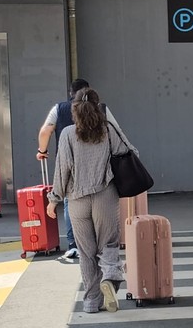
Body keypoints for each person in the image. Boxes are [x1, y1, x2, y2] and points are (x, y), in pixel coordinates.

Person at [46, 88, 135, 313]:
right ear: (98, 107)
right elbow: (129, 151)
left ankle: (91, 302)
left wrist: (54, 199)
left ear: (74, 110)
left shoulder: (67, 134)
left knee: (86, 252)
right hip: (105, 195)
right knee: (108, 244)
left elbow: (62, 170)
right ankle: (111, 279)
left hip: (77, 200)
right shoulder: (107, 130)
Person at [38, 78, 122, 261]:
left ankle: (73, 246)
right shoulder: (104, 112)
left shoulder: (60, 112)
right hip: (103, 184)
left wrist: (42, 151)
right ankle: (109, 271)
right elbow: (122, 144)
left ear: (71, 93)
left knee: (85, 247)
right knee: (107, 240)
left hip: (75, 186)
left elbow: (45, 132)